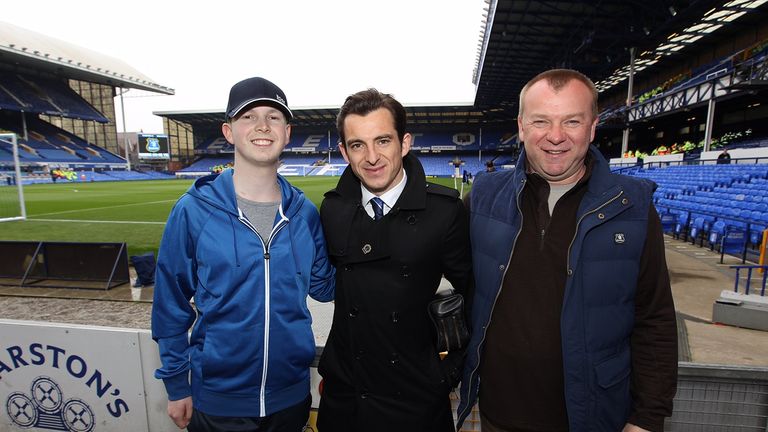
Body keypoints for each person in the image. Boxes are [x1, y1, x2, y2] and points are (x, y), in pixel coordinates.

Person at [456, 69, 677, 432]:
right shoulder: (483, 198)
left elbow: (655, 320)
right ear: (522, 127)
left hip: (594, 419)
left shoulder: (632, 207)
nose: (555, 137)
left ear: (592, 127)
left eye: (571, 121)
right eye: (541, 121)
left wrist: (647, 419)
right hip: (498, 416)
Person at [151, 77, 335, 432]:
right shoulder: (193, 211)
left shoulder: (305, 213)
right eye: (248, 116)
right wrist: (176, 385)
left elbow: (327, 287)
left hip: (291, 398)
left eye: (274, 117)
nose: (263, 125)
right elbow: (170, 306)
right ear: (229, 131)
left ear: (287, 131)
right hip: (218, 403)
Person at [317, 89, 473, 432]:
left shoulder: (443, 212)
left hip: (414, 400)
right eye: (357, 145)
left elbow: (474, 295)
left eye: (382, 141)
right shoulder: (332, 209)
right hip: (346, 401)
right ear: (344, 151)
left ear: (404, 143)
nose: (371, 157)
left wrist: (446, 373)